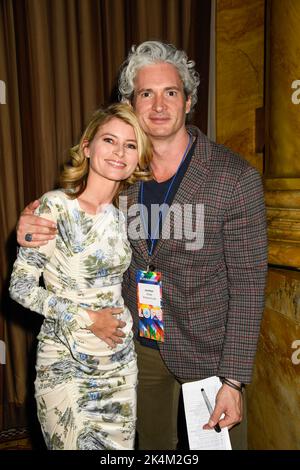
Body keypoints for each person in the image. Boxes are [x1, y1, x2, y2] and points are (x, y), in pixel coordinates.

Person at [16, 41, 268, 450]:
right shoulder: (123, 173)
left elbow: (248, 285)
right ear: (131, 104)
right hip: (138, 349)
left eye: (171, 92)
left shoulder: (233, 178)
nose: (159, 104)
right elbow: (75, 212)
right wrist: (31, 225)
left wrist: (233, 379)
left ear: (188, 102)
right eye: (146, 94)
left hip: (209, 352)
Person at [9, 103, 152, 450]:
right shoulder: (53, 207)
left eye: (130, 145)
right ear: (87, 147)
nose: (119, 152)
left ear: (138, 157)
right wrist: (88, 319)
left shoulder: (127, 214)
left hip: (118, 364)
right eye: (109, 140)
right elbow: (20, 288)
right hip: (66, 363)